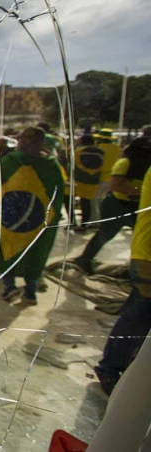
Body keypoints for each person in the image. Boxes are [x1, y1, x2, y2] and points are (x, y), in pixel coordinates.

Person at [0, 127, 65, 307]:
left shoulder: (11, 161)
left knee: (7, 250)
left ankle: (10, 287)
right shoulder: (51, 166)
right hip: (36, 221)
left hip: (10, 218)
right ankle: (30, 292)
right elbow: (57, 192)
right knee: (34, 252)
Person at [94, 165, 151, 395]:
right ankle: (111, 367)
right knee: (140, 314)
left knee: (139, 313)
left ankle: (122, 366)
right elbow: (116, 183)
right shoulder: (127, 162)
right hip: (148, 256)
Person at [73, 137, 151, 274]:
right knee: (105, 234)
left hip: (136, 206)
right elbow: (115, 185)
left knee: (142, 238)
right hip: (116, 205)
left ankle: (138, 267)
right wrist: (141, 191)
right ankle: (84, 260)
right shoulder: (125, 163)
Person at [72, 133, 103, 231]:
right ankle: (84, 224)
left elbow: (74, 165)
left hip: (79, 180)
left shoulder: (78, 151)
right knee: (86, 202)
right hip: (93, 180)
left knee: (70, 200)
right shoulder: (101, 151)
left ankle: (74, 222)